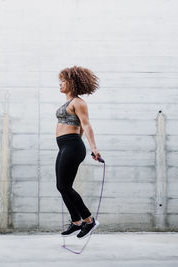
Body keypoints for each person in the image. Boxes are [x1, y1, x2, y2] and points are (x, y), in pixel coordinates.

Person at [55, 66, 101, 239]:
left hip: (72, 146)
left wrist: (93, 148)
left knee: (65, 186)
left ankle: (89, 220)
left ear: (72, 83)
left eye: (63, 81)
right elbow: (80, 128)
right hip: (65, 146)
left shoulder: (78, 102)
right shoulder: (67, 103)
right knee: (61, 186)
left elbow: (86, 125)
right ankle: (76, 222)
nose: (60, 84)